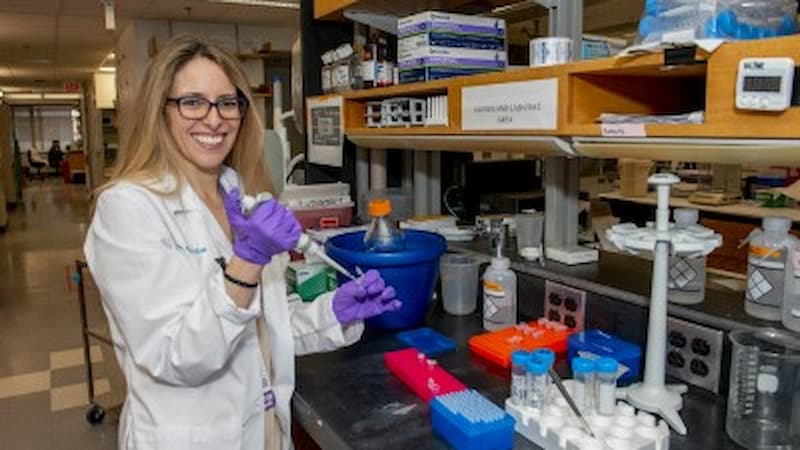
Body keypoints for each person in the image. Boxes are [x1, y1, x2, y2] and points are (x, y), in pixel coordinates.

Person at [83, 34, 401, 450]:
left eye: (227, 102)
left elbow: (261, 329)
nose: (214, 119)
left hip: (265, 430)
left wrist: (331, 313)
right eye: (192, 102)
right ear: (160, 112)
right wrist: (247, 262)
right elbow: (176, 356)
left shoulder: (241, 195)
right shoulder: (128, 208)